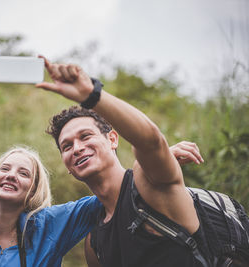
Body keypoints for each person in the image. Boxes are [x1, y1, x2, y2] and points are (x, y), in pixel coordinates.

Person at [37, 58, 207, 266]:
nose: (78, 148)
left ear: (112, 139)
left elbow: (150, 141)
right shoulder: (94, 241)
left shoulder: (147, 182)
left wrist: (91, 95)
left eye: (86, 136)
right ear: (67, 165)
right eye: (67, 146)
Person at [0, 146, 101, 267]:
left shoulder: (49, 228)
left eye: (23, 173)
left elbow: (109, 195)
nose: (11, 175)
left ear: (33, 192)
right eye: (4, 169)